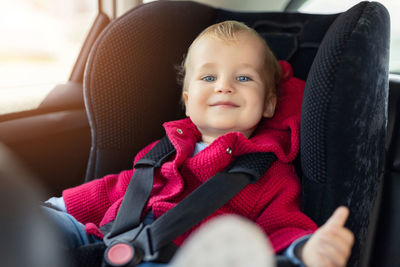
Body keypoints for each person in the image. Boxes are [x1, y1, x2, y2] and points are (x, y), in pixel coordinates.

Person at [44, 21, 354, 267]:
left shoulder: (267, 173)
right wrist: (55, 208)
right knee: (34, 224)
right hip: (104, 246)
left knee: (232, 244)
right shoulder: (161, 153)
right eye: (208, 78)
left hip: (182, 258)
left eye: (244, 78)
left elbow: (282, 227)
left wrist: (305, 250)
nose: (224, 86)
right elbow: (117, 189)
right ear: (188, 103)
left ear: (268, 104)